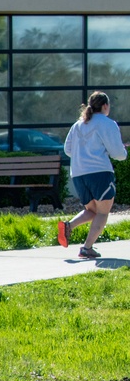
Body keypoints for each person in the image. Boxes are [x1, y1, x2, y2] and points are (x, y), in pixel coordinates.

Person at [58, 91, 128, 258]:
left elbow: (68, 150)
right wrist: (122, 151)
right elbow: (118, 154)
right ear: (105, 106)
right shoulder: (108, 123)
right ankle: (86, 248)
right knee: (103, 213)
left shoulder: (78, 125)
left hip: (78, 174)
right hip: (100, 173)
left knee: (93, 211)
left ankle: (69, 226)